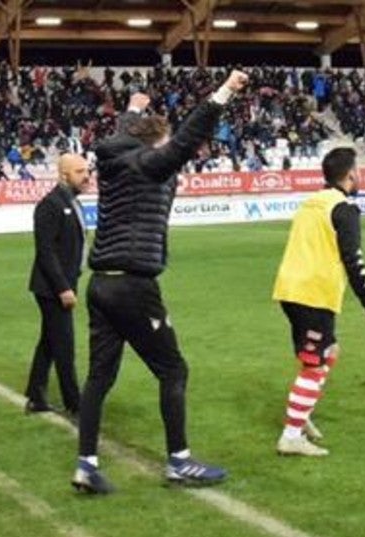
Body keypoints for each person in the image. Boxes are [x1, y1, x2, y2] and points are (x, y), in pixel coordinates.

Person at [72, 71, 249, 495]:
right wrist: (224, 92)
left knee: (99, 376)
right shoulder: (151, 164)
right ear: (155, 143)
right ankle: (179, 462)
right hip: (134, 285)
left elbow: (122, 134)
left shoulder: (114, 160)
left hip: (100, 283)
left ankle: (86, 465)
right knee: (173, 368)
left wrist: (133, 109)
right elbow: (188, 139)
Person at [271, 147, 365, 457]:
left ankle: (301, 410)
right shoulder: (344, 208)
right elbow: (354, 260)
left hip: (290, 288)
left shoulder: (311, 203)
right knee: (315, 363)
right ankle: (291, 435)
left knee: (329, 350)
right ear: (350, 174)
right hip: (314, 294)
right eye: (358, 170)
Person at [24, 154, 90, 417]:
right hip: (51, 288)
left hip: (64, 283)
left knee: (50, 342)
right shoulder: (50, 205)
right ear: (64, 175)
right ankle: (75, 403)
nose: (86, 176)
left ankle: (35, 395)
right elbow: (46, 251)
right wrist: (63, 288)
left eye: (87, 170)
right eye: (79, 171)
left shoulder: (73, 203)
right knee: (64, 345)